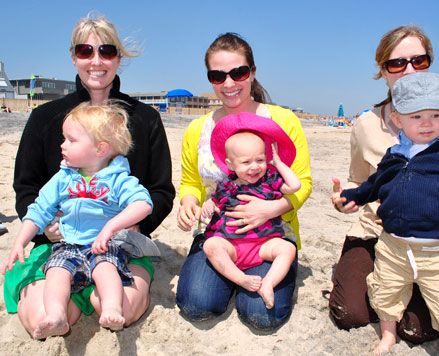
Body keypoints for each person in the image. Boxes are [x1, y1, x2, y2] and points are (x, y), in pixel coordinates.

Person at [6, 12, 175, 338]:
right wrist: (48, 228)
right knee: (42, 318)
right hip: (60, 243)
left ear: (118, 58)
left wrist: (132, 224)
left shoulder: (146, 118)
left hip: (121, 246)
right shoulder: (45, 118)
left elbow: (161, 191)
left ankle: (99, 298)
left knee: (119, 309)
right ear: (74, 57)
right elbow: (26, 187)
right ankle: (66, 304)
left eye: (106, 51)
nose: (96, 61)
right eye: (86, 51)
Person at [328, 25, 439, 344]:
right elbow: (359, 182)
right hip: (379, 232)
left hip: (437, 240)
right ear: (382, 70)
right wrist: (345, 200)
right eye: (397, 63)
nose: (409, 70)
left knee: (420, 329)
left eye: (419, 60)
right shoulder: (366, 125)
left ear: (431, 61)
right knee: (351, 315)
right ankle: (365, 278)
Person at [176, 32, 312, 331]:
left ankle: (254, 278)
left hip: (270, 235)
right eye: (217, 75)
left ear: (252, 72)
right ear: (209, 78)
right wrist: (188, 203)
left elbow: (302, 182)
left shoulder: (284, 120)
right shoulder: (197, 129)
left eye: (238, 72)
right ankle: (227, 277)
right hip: (220, 235)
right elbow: (189, 182)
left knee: (262, 316)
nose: (229, 83)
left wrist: (270, 209)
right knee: (197, 307)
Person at [3, 101, 154, 338]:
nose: (62, 145)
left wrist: (112, 226)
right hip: (68, 245)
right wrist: (20, 241)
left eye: (71, 140)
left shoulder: (118, 179)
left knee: (106, 269)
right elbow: (38, 210)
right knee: (56, 272)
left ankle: (112, 309)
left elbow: (143, 203)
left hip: (104, 246)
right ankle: (56, 316)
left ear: (100, 149)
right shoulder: (64, 178)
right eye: (64, 138)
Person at [202, 113, 301, 309]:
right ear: (230, 165)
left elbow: (295, 186)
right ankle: (240, 279)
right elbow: (215, 202)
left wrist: (278, 164)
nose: (255, 167)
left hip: (263, 244)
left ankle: (268, 284)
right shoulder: (226, 185)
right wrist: (208, 205)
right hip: (232, 246)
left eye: (260, 160)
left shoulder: (271, 180)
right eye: (246, 162)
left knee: (288, 248)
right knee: (211, 246)